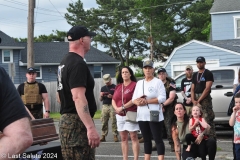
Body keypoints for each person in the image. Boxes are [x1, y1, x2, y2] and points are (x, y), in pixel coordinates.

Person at [57, 25, 100, 160]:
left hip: (67, 122)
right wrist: (90, 128)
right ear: (82, 40)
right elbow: (78, 97)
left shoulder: (64, 62)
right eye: (89, 37)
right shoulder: (77, 63)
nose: (91, 40)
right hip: (76, 123)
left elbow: (60, 97)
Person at [132, 60, 166, 160]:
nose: (147, 70)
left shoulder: (158, 82)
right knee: (146, 140)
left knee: (157, 139)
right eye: (146, 68)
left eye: (149, 68)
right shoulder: (139, 83)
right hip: (142, 115)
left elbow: (162, 98)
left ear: (153, 70)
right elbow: (133, 99)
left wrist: (148, 101)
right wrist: (137, 102)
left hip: (154, 114)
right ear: (143, 70)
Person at [0, 66, 33, 157]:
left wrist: (46, 111)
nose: (32, 75)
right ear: (26, 75)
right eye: (30, 73)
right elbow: (21, 104)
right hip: (20, 113)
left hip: (29, 113)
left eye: (33, 73)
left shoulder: (40, 86)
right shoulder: (21, 87)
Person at [112, 66, 140, 160]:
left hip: (131, 113)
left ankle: (135, 158)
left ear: (130, 74)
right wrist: (117, 108)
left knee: (133, 137)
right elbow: (113, 99)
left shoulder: (135, 85)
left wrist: (123, 107)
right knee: (123, 138)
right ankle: (125, 158)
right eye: (123, 72)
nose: (124, 74)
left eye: (126, 72)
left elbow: (134, 99)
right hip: (120, 115)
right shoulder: (118, 86)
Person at [191, 56, 216, 139]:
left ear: (204, 63)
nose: (199, 64)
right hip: (196, 97)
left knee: (207, 118)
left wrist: (199, 100)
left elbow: (207, 88)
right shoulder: (195, 74)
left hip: (204, 99)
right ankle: (200, 138)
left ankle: (211, 139)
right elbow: (192, 88)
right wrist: (193, 99)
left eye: (201, 62)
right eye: (198, 62)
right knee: (196, 118)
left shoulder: (208, 73)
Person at [157, 67, 176, 152]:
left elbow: (172, 97)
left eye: (163, 73)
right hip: (157, 106)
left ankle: (172, 144)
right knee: (156, 126)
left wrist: (163, 105)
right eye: (160, 74)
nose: (162, 75)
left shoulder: (171, 82)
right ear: (158, 75)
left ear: (166, 74)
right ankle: (157, 144)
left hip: (169, 107)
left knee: (168, 125)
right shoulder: (155, 83)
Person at [99, 74, 118, 142]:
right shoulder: (103, 88)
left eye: (108, 81)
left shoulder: (115, 87)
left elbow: (118, 98)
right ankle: (103, 135)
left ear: (110, 80)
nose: (107, 83)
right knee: (104, 121)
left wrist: (112, 96)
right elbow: (100, 99)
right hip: (105, 105)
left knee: (113, 121)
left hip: (112, 105)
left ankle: (115, 135)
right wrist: (101, 96)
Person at [229, 92, 240, 160]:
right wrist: (234, 112)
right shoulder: (235, 113)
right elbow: (231, 124)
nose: (238, 104)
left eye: (239, 102)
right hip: (237, 140)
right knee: (238, 156)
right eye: (236, 102)